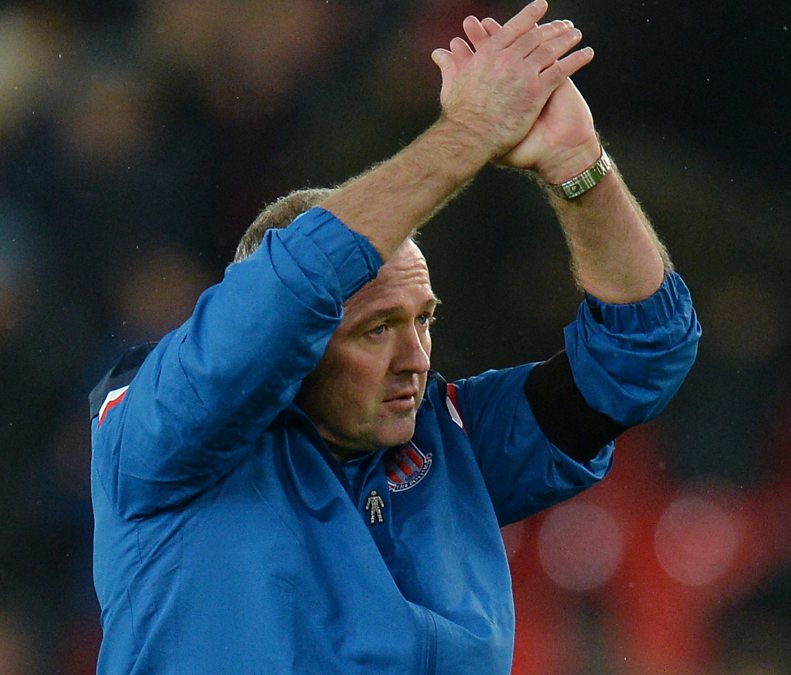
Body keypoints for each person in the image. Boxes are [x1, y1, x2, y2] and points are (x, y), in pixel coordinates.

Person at [89, 2, 701, 672]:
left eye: (423, 320)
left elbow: (642, 353)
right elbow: (286, 291)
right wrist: (470, 132)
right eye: (376, 328)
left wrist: (579, 166)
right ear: (293, 349)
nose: (415, 359)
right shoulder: (166, 437)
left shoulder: (452, 443)